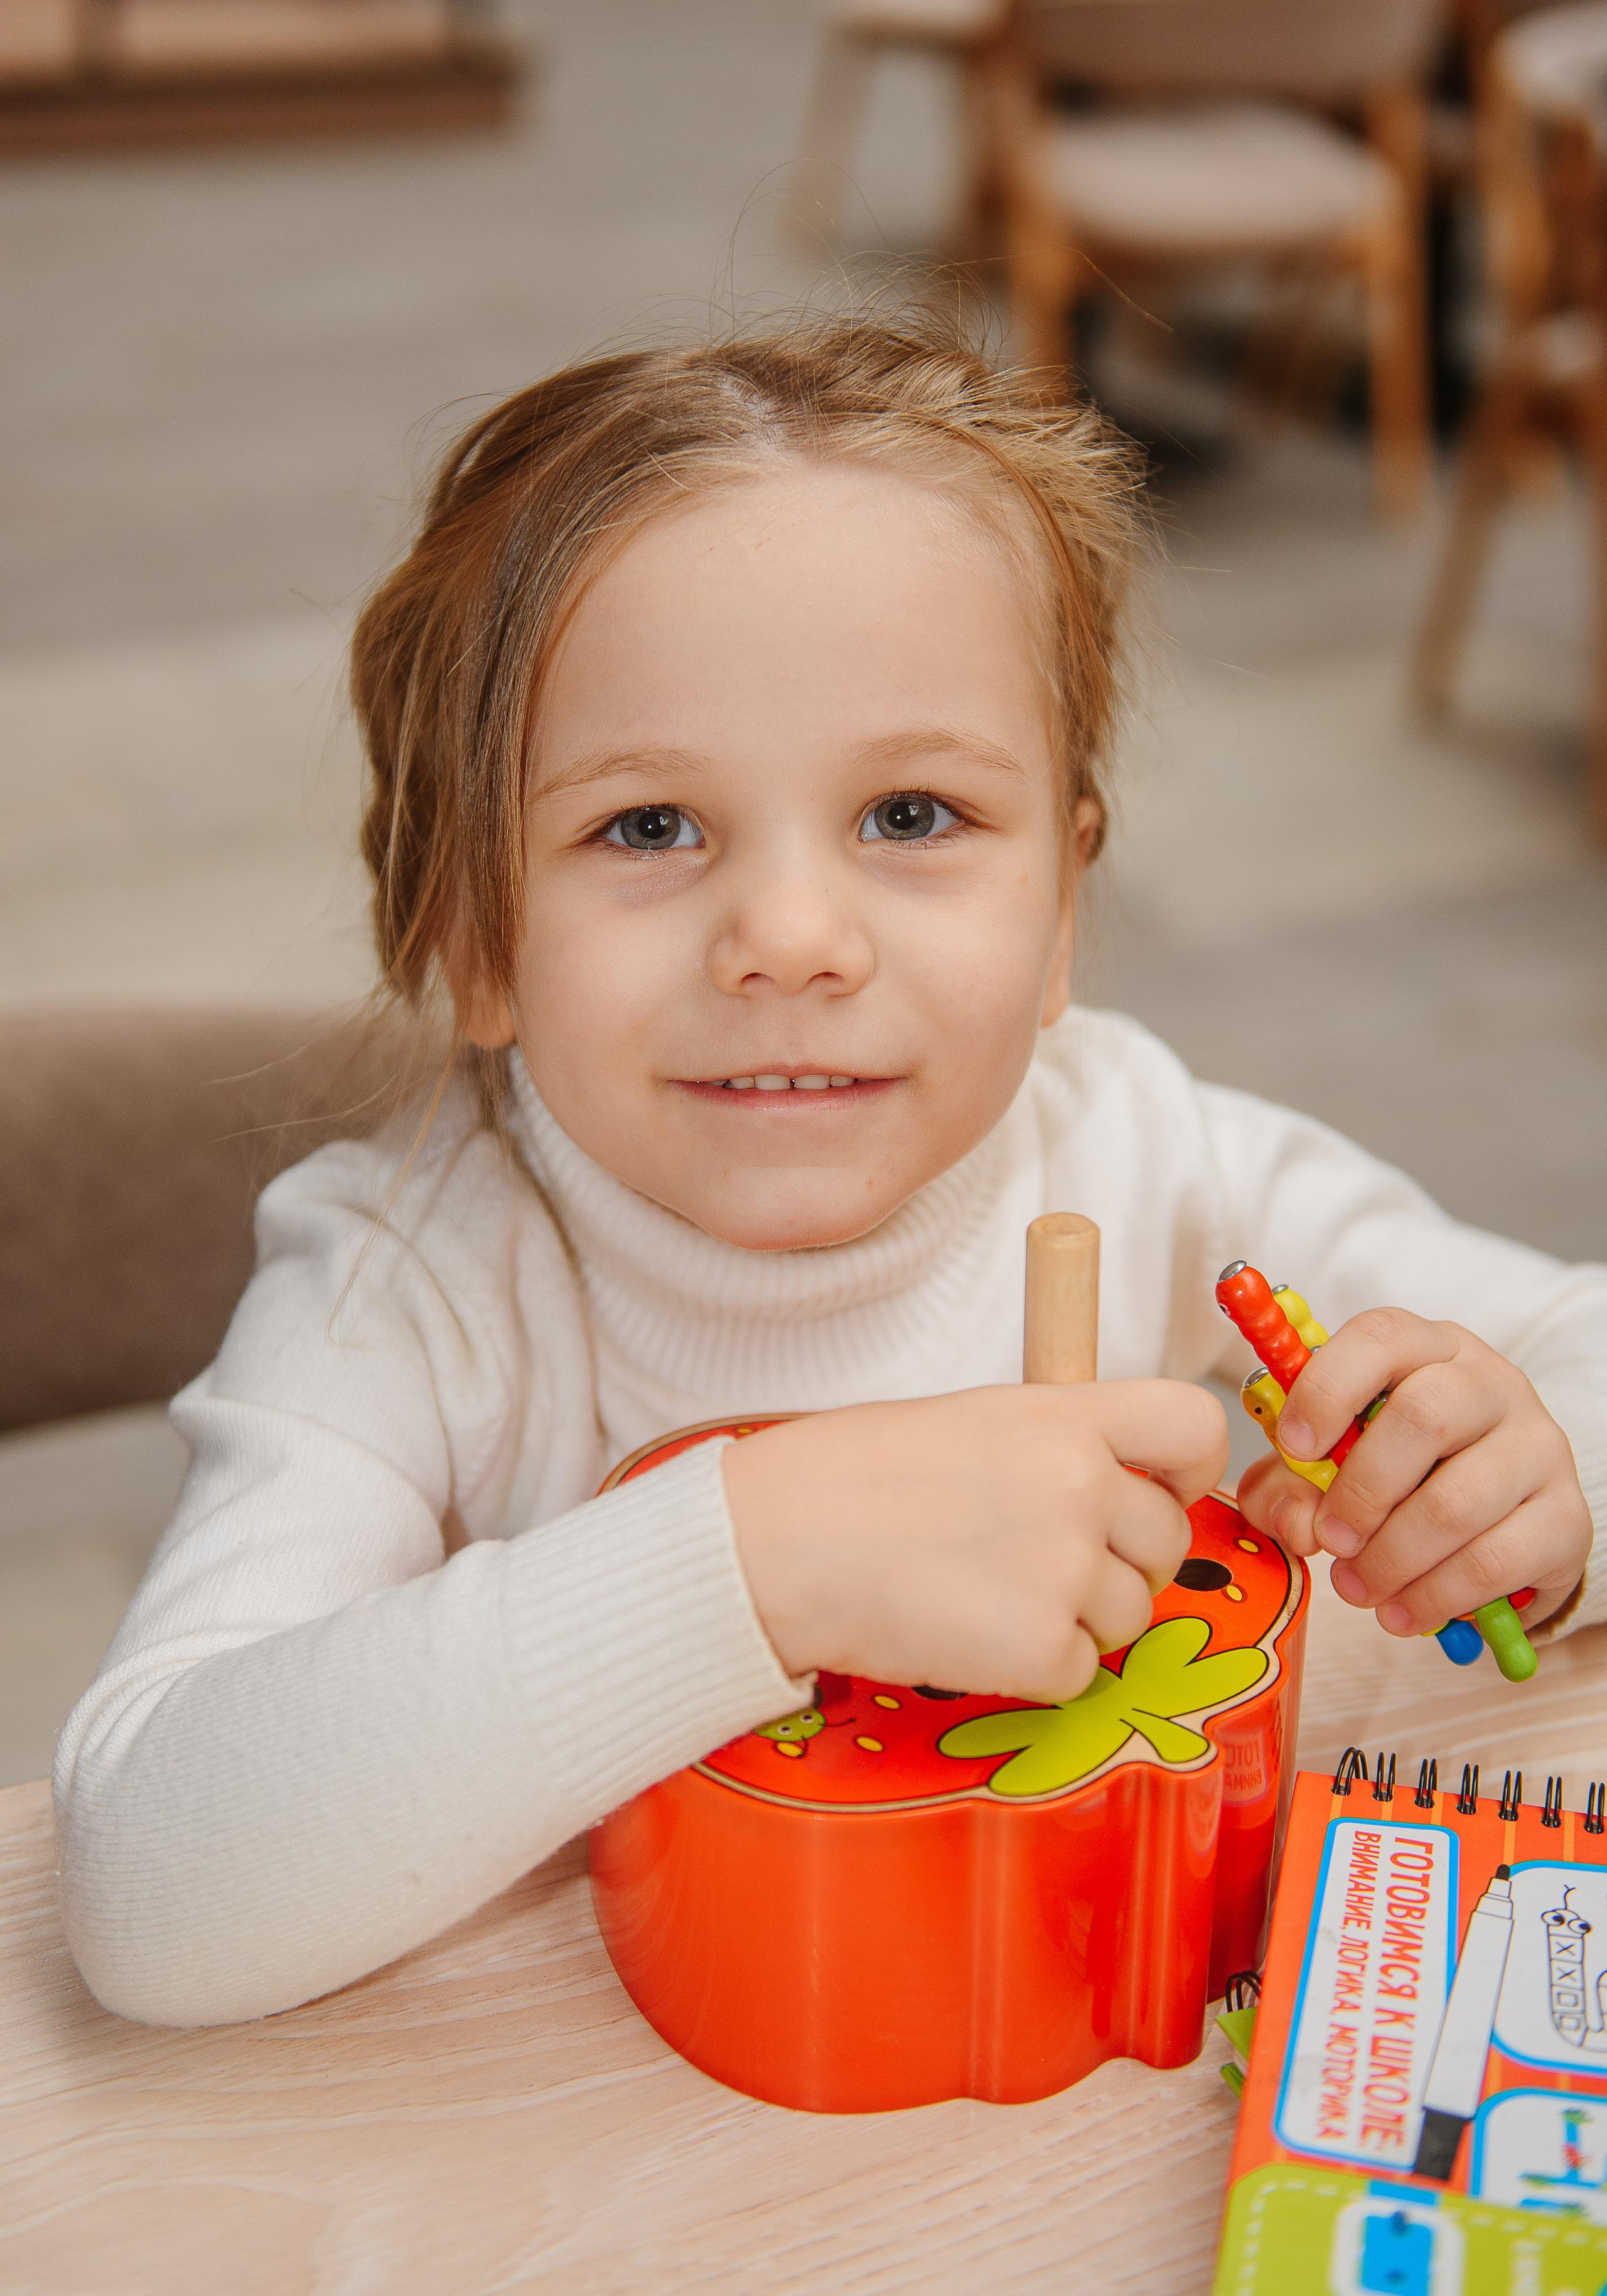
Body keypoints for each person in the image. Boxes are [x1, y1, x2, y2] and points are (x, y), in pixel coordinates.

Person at [55, 318, 1604, 2030]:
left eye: (914, 815)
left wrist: (1543, 1490)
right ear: (473, 940)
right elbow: (144, 1891)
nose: (790, 939)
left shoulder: (1156, 1152)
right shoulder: (404, 1286)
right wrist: (745, 1562)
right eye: (647, 829)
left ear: (1065, 911)